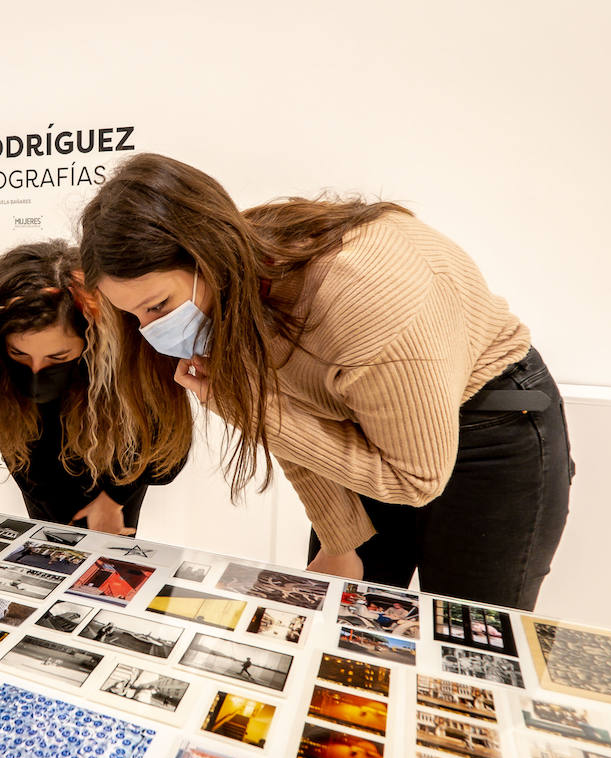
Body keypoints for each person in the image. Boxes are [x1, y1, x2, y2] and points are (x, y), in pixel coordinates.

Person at [79, 153, 573, 610]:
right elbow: (299, 425)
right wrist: (339, 543)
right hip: (366, 429)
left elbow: (415, 477)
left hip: (492, 426)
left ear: (205, 254)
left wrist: (248, 407)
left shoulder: (361, 297)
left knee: (470, 634)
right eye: (135, 315)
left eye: (159, 306)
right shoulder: (237, 280)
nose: (151, 331)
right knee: (342, 625)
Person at [0, 240, 189, 535]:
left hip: (119, 487)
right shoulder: (1, 373)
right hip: (45, 500)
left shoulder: (130, 368)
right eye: (20, 354)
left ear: (90, 342)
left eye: (58, 357)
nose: (37, 371)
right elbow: (30, 469)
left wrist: (112, 500)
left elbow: (166, 456)